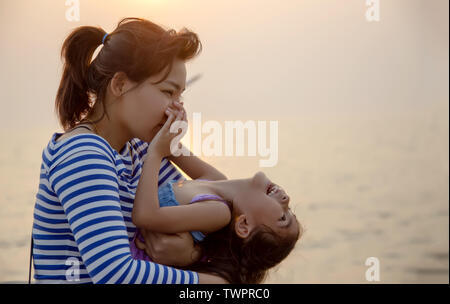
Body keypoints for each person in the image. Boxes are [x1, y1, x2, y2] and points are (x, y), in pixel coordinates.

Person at [31, 17, 228, 284]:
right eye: (168, 92)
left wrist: (171, 147)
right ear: (120, 84)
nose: (177, 110)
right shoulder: (84, 152)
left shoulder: (138, 151)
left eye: (180, 97)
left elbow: (219, 195)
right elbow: (114, 273)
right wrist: (218, 285)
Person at [130, 111, 302, 284]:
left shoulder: (218, 212)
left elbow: (144, 215)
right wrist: (170, 121)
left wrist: (155, 154)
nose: (286, 199)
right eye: (291, 212)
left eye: (282, 217)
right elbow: (171, 147)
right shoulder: (216, 179)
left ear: (244, 225)